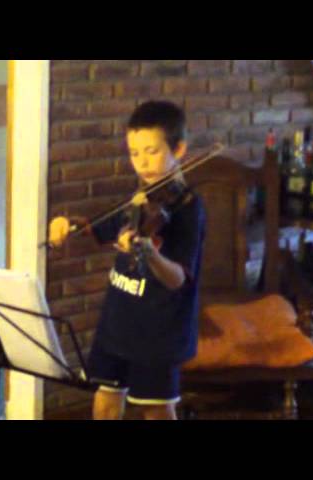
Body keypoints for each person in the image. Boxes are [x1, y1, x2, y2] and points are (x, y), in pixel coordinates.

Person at [48, 100, 206, 420]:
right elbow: (98, 230)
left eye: (151, 151)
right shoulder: (139, 199)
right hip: (117, 322)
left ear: (179, 149)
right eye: (134, 153)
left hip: (158, 330)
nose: (142, 162)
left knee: (156, 408)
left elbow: (178, 279)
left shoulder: (188, 209)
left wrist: (147, 251)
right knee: (105, 402)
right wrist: (69, 225)